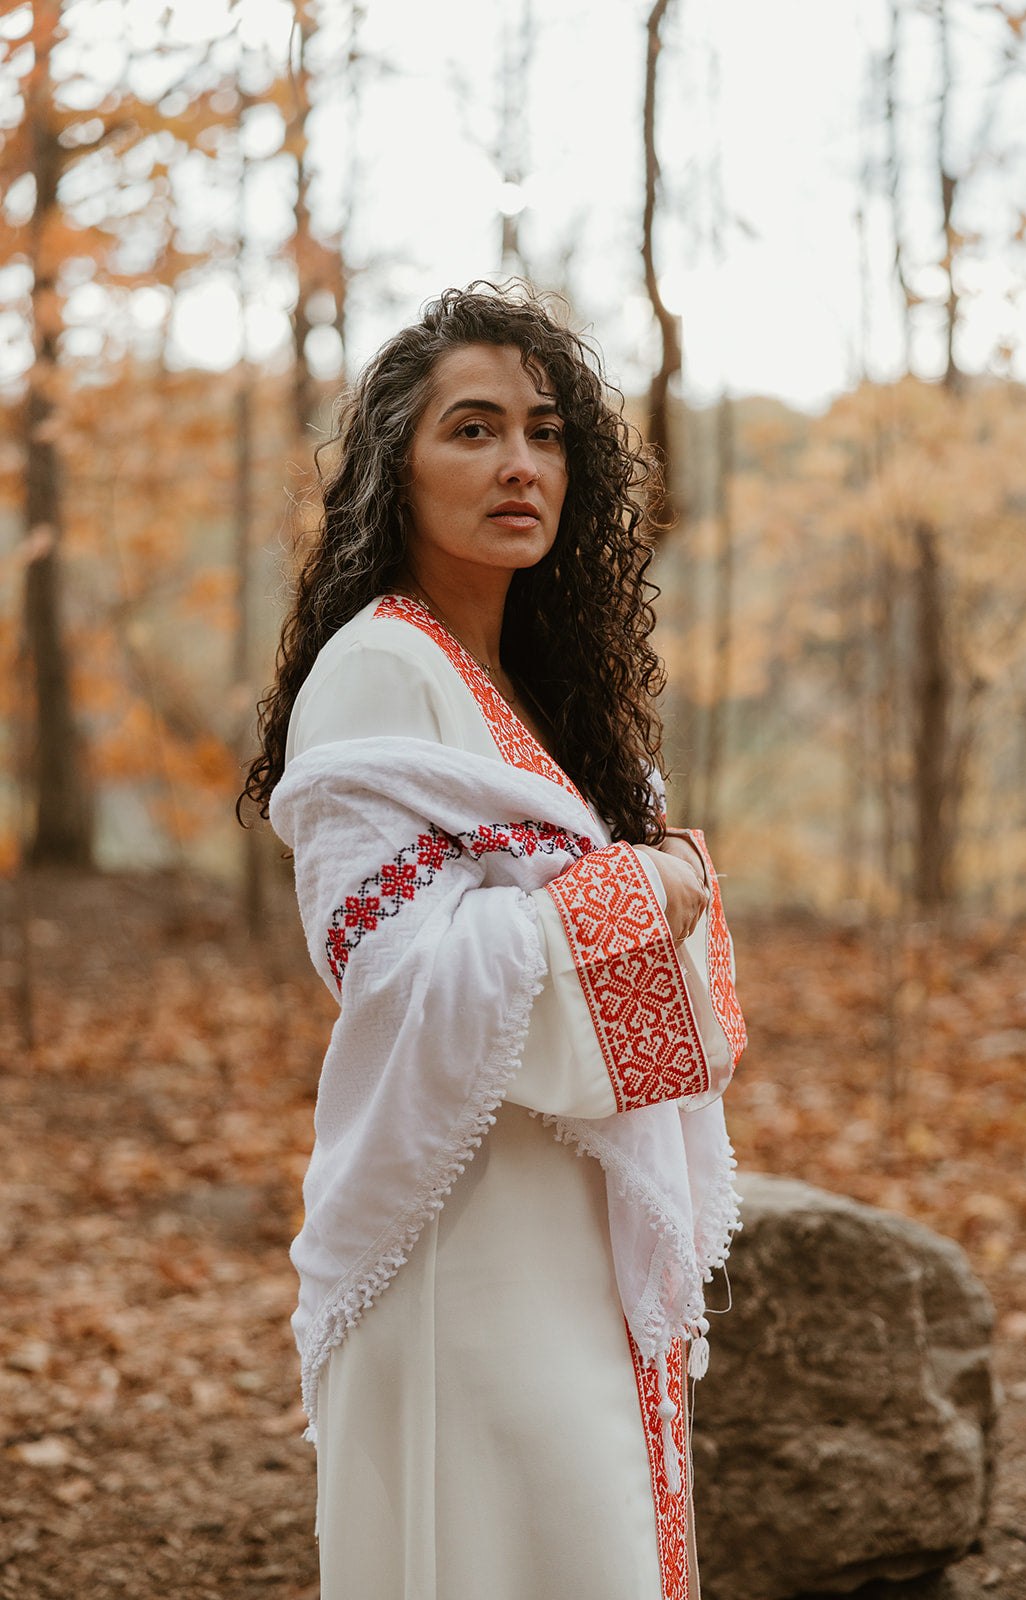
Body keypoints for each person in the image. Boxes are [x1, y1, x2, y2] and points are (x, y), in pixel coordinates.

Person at [241, 283, 746, 1600]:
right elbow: (392, 967)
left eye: (545, 431)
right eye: (472, 430)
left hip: (564, 1229)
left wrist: (648, 890)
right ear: (395, 471)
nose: (520, 462)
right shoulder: (381, 667)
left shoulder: (542, 694)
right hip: (459, 1242)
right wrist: (637, 895)